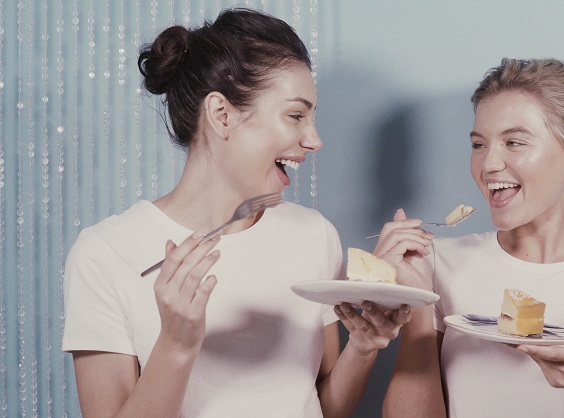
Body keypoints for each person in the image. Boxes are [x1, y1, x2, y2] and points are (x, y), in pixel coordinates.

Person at [61, 8, 410, 417]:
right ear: (221, 114)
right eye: (296, 115)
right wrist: (176, 343)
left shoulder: (313, 235)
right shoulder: (106, 253)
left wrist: (365, 347)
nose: (314, 140)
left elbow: (323, 407)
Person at [378, 58, 564, 417]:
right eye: (479, 145)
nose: (489, 164)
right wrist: (417, 301)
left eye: (514, 142)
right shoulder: (435, 263)